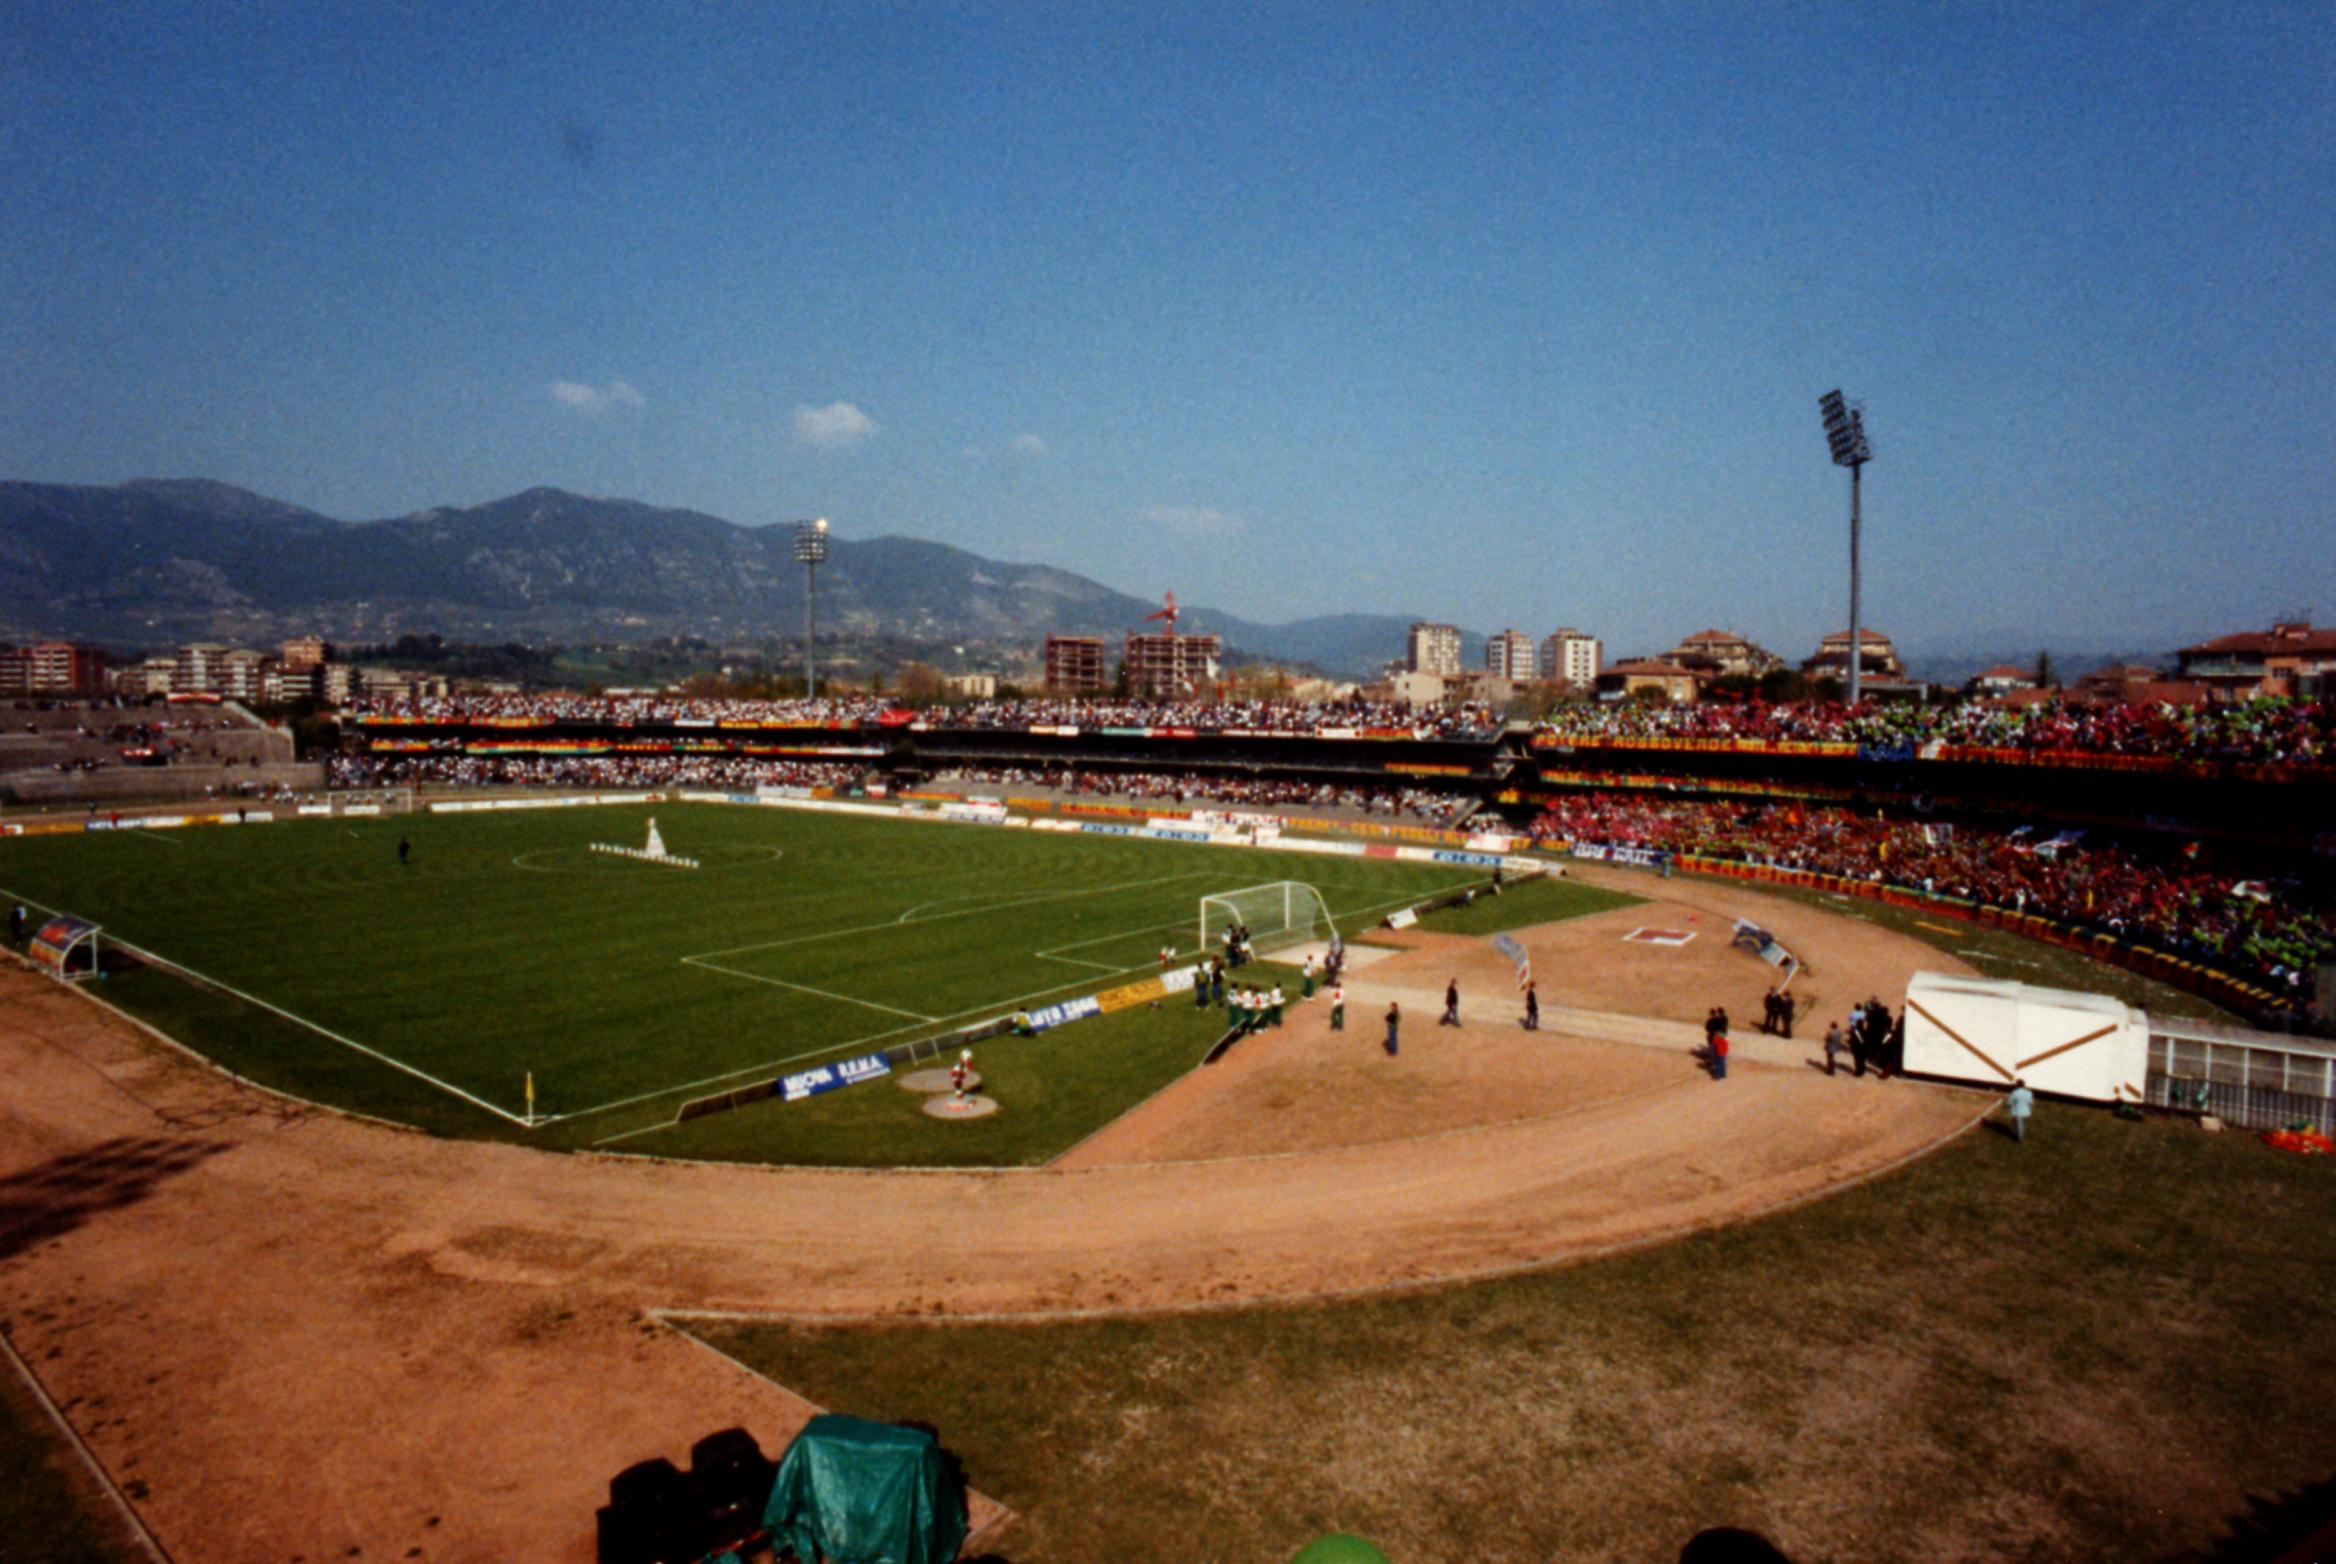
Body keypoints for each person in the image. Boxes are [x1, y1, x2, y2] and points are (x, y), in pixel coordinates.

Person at [2006, 1078, 2034, 1142]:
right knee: (2020, 1123)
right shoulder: (2029, 1093)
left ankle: (2019, 1137)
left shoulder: (2015, 1093)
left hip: (2017, 1111)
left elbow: (2010, 1102)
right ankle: (2016, 1133)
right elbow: (2030, 1102)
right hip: (2026, 1111)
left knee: (2019, 1124)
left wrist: (2008, 1106)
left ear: (2017, 1085)